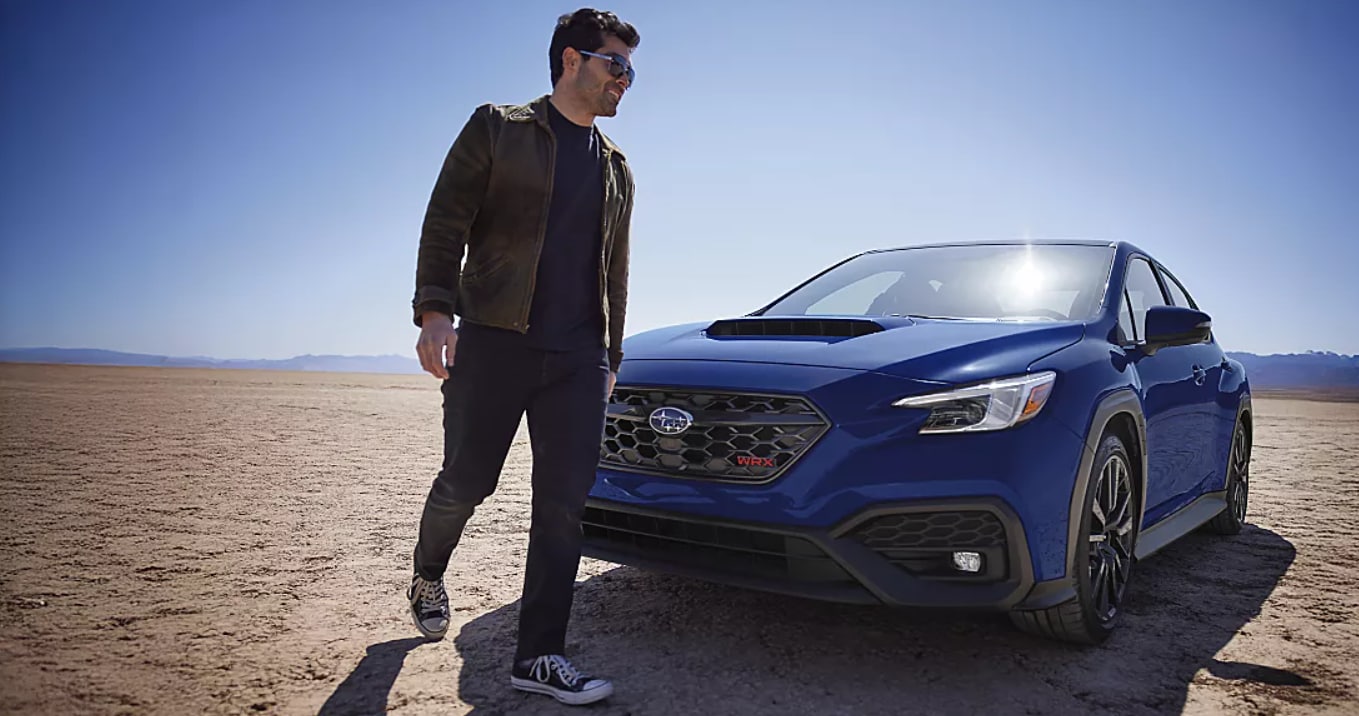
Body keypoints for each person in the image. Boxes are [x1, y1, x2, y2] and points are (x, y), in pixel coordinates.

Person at [405, 7, 639, 707]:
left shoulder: (617, 170)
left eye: (631, 69)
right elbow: (445, 219)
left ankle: (538, 655)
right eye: (614, 65)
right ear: (571, 60)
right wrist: (434, 312)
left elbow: (615, 274)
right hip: (495, 338)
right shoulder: (498, 129)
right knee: (467, 481)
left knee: (564, 506)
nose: (625, 81)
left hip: (578, 356)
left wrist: (611, 358)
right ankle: (427, 571)